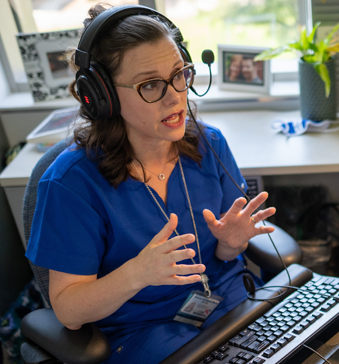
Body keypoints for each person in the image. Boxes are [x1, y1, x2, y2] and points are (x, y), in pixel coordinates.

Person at [25, 4, 276, 364]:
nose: (175, 95)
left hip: (227, 305)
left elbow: (224, 257)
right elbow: (67, 310)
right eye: (151, 85)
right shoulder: (70, 184)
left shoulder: (210, 144)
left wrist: (230, 244)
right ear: (103, 97)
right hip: (143, 335)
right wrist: (137, 274)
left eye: (180, 74)